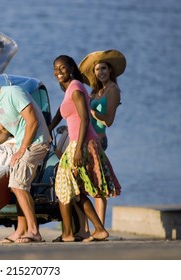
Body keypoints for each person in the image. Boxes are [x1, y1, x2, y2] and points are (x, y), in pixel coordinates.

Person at [0, 70, 51, 244]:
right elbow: (3, 132)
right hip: (23, 144)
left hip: (37, 141)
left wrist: (21, 150)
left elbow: (33, 121)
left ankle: (34, 232)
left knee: (18, 185)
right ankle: (20, 231)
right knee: (16, 186)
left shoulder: (13, 92)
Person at [49, 55, 120, 242]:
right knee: (76, 188)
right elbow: (61, 112)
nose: (58, 72)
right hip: (79, 142)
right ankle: (96, 229)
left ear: (71, 68)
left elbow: (85, 119)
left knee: (64, 185)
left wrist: (78, 149)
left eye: (62, 68)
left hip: (82, 143)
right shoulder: (70, 89)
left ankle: (68, 234)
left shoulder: (76, 88)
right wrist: (48, 128)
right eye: (56, 69)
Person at [78, 50, 126, 226]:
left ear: (110, 70)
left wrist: (91, 112)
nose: (101, 72)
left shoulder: (113, 90)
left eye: (104, 68)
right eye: (97, 69)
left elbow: (109, 121)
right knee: (84, 183)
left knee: (98, 183)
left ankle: (100, 227)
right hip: (86, 138)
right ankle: (85, 228)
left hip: (99, 139)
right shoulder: (96, 91)